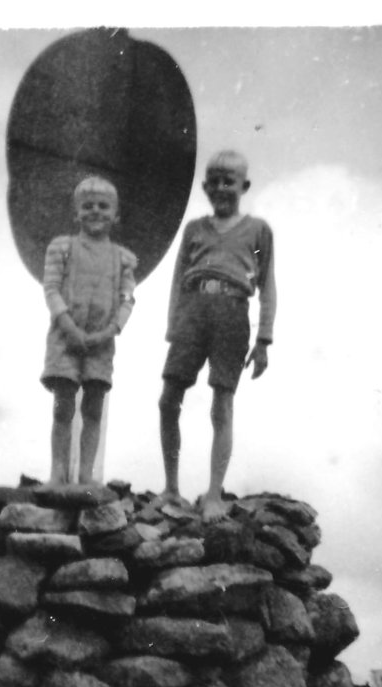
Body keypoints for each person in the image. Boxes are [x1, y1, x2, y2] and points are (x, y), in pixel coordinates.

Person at [158, 149, 277, 521]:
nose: (222, 187)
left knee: (221, 404)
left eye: (230, 181)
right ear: (206, 186)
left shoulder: (257, 231)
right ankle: (171, 487)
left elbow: (267, 282)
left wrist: (264, 339)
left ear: (244, 185)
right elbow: (179, 278)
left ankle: (213, 494)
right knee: (168, 399)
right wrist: (174, 324)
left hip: (233, 312)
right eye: (216, 181)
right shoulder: (194, 229)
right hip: (194, 309)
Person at [41, 176, 137, 484]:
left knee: (93, 407)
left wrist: (110, 331)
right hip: (65, 339)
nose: (95, 211)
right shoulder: (63, 248)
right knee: (64, 405)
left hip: (101, 341)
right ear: (76, 213)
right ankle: (58, 472)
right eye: (88, 206)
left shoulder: (122, 259)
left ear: (115, 214)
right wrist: (69, 327)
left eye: (103, 206)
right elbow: (52, 289)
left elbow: (127, 299)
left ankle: (85, 476)